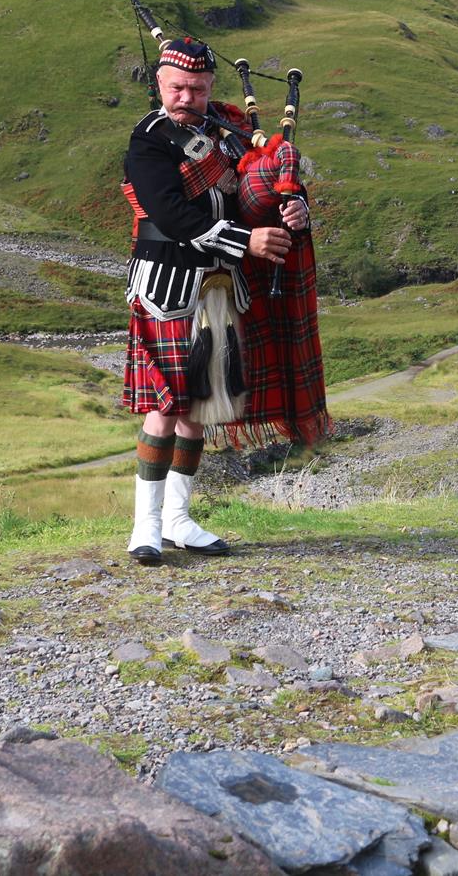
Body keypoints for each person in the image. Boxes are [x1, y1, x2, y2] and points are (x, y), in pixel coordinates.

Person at [120, 38, 310, 565]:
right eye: (177, 87)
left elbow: (258, 190)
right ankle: (146, 526)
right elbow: (170, 213)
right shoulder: (149, 141)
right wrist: (245, 242)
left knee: (200, 410)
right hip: (166, 289)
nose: (187, 97)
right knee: (164, 408)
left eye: (198, 89)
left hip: (219, 289)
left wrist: (293, 209)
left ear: (210, 88)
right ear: (160, 84)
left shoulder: (227, 137)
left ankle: (179, 519)